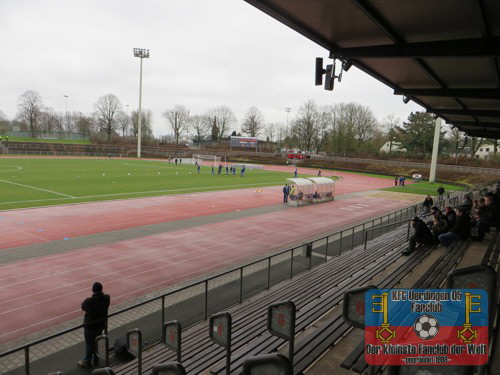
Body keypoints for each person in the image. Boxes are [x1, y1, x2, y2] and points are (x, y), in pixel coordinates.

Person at [78, 282, 110, 368]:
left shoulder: (89, 301)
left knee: (89, 344)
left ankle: (87, 362)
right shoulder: (107, 298)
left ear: (93, 290)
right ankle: (96, 358)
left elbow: (83, 307)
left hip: (90, 327)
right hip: (101, 325)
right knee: (96, 341)